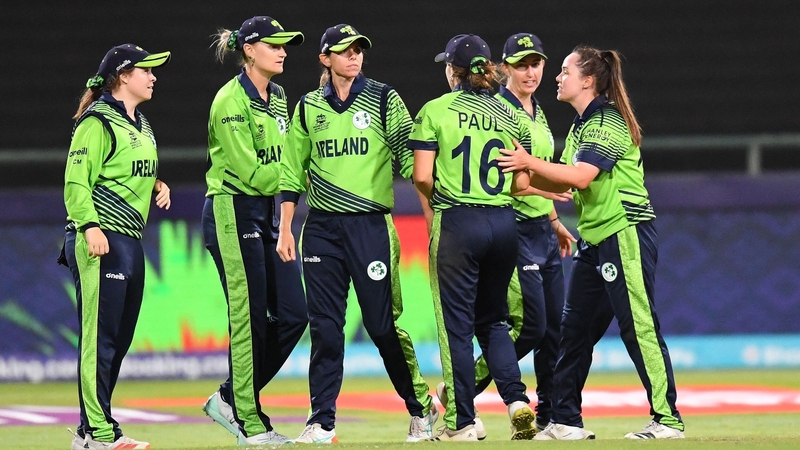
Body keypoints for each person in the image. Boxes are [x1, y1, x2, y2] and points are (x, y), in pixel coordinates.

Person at [498, 45, 685, 440]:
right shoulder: (581, 126)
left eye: (565, 71)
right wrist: (519, 176)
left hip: (624, 232)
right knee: (574, 330)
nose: (557, 77)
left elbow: (581, 177)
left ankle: (667, 420)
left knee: (638, 326)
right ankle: (565, 421)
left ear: (587, 81)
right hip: (595, 239)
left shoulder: (607, 122)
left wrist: (528, 163)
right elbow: (562, 180)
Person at [277, 24, 438, 444]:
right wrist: (285, 228)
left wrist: (435, 208)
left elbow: (413, 161)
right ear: (325, 59)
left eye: (358, 49)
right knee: (325, 329)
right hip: (322, 229)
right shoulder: (308, 106)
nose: (354, 56)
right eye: (344, 50)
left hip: (370, 227)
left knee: (382, 326)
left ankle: (421, 407)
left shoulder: (384, 98)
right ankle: (322, 421)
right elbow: (292, 171)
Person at [445, 32, 577, 440]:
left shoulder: (538, 111)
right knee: (530, 327)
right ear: (503, 68)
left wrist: (553, 219)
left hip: (541, 229)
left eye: (536, 64)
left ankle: (549, 415)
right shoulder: (499, 109)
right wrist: (548, 192)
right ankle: (460, 391)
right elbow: (514, 181)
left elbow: (536, 165)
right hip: (512, 228)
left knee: (553, 330)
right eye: (521, 65)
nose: (530, 72)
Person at [408, 33, 536, 442]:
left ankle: (463, 422)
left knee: (457, 328)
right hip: (503, 223)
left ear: (453, 71)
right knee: (495, 321)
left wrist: (442, 200)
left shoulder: (435, 110)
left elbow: (422, 176)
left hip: (459, 222)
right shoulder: (510, 113)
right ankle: (517, 402)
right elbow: (521, 183)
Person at [199, 16, 308, 446]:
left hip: (265, 213)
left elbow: (287, 155)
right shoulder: (230, 100)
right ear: (249, 50)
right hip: (232, 211)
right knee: (249, 319)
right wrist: (303, 179)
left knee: (294, 315)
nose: (282, 52)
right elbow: (251, 173)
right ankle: (248, 420)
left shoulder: (278, 96)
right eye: (274, 45)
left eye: (284, 46)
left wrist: (296, 175)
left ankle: (230, 396)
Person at [61, 43, 172, 450]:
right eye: (146, 70)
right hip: (100, 238)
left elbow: (127, 168)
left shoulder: (141, 124)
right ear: (123, 76)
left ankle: (95, 427)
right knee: (100, 340)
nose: (153, 76)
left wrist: (156, 184)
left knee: (118, 341)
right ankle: (97, 433)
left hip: (129, 240)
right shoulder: (97, 121)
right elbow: (76, 181)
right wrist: (89, 226)